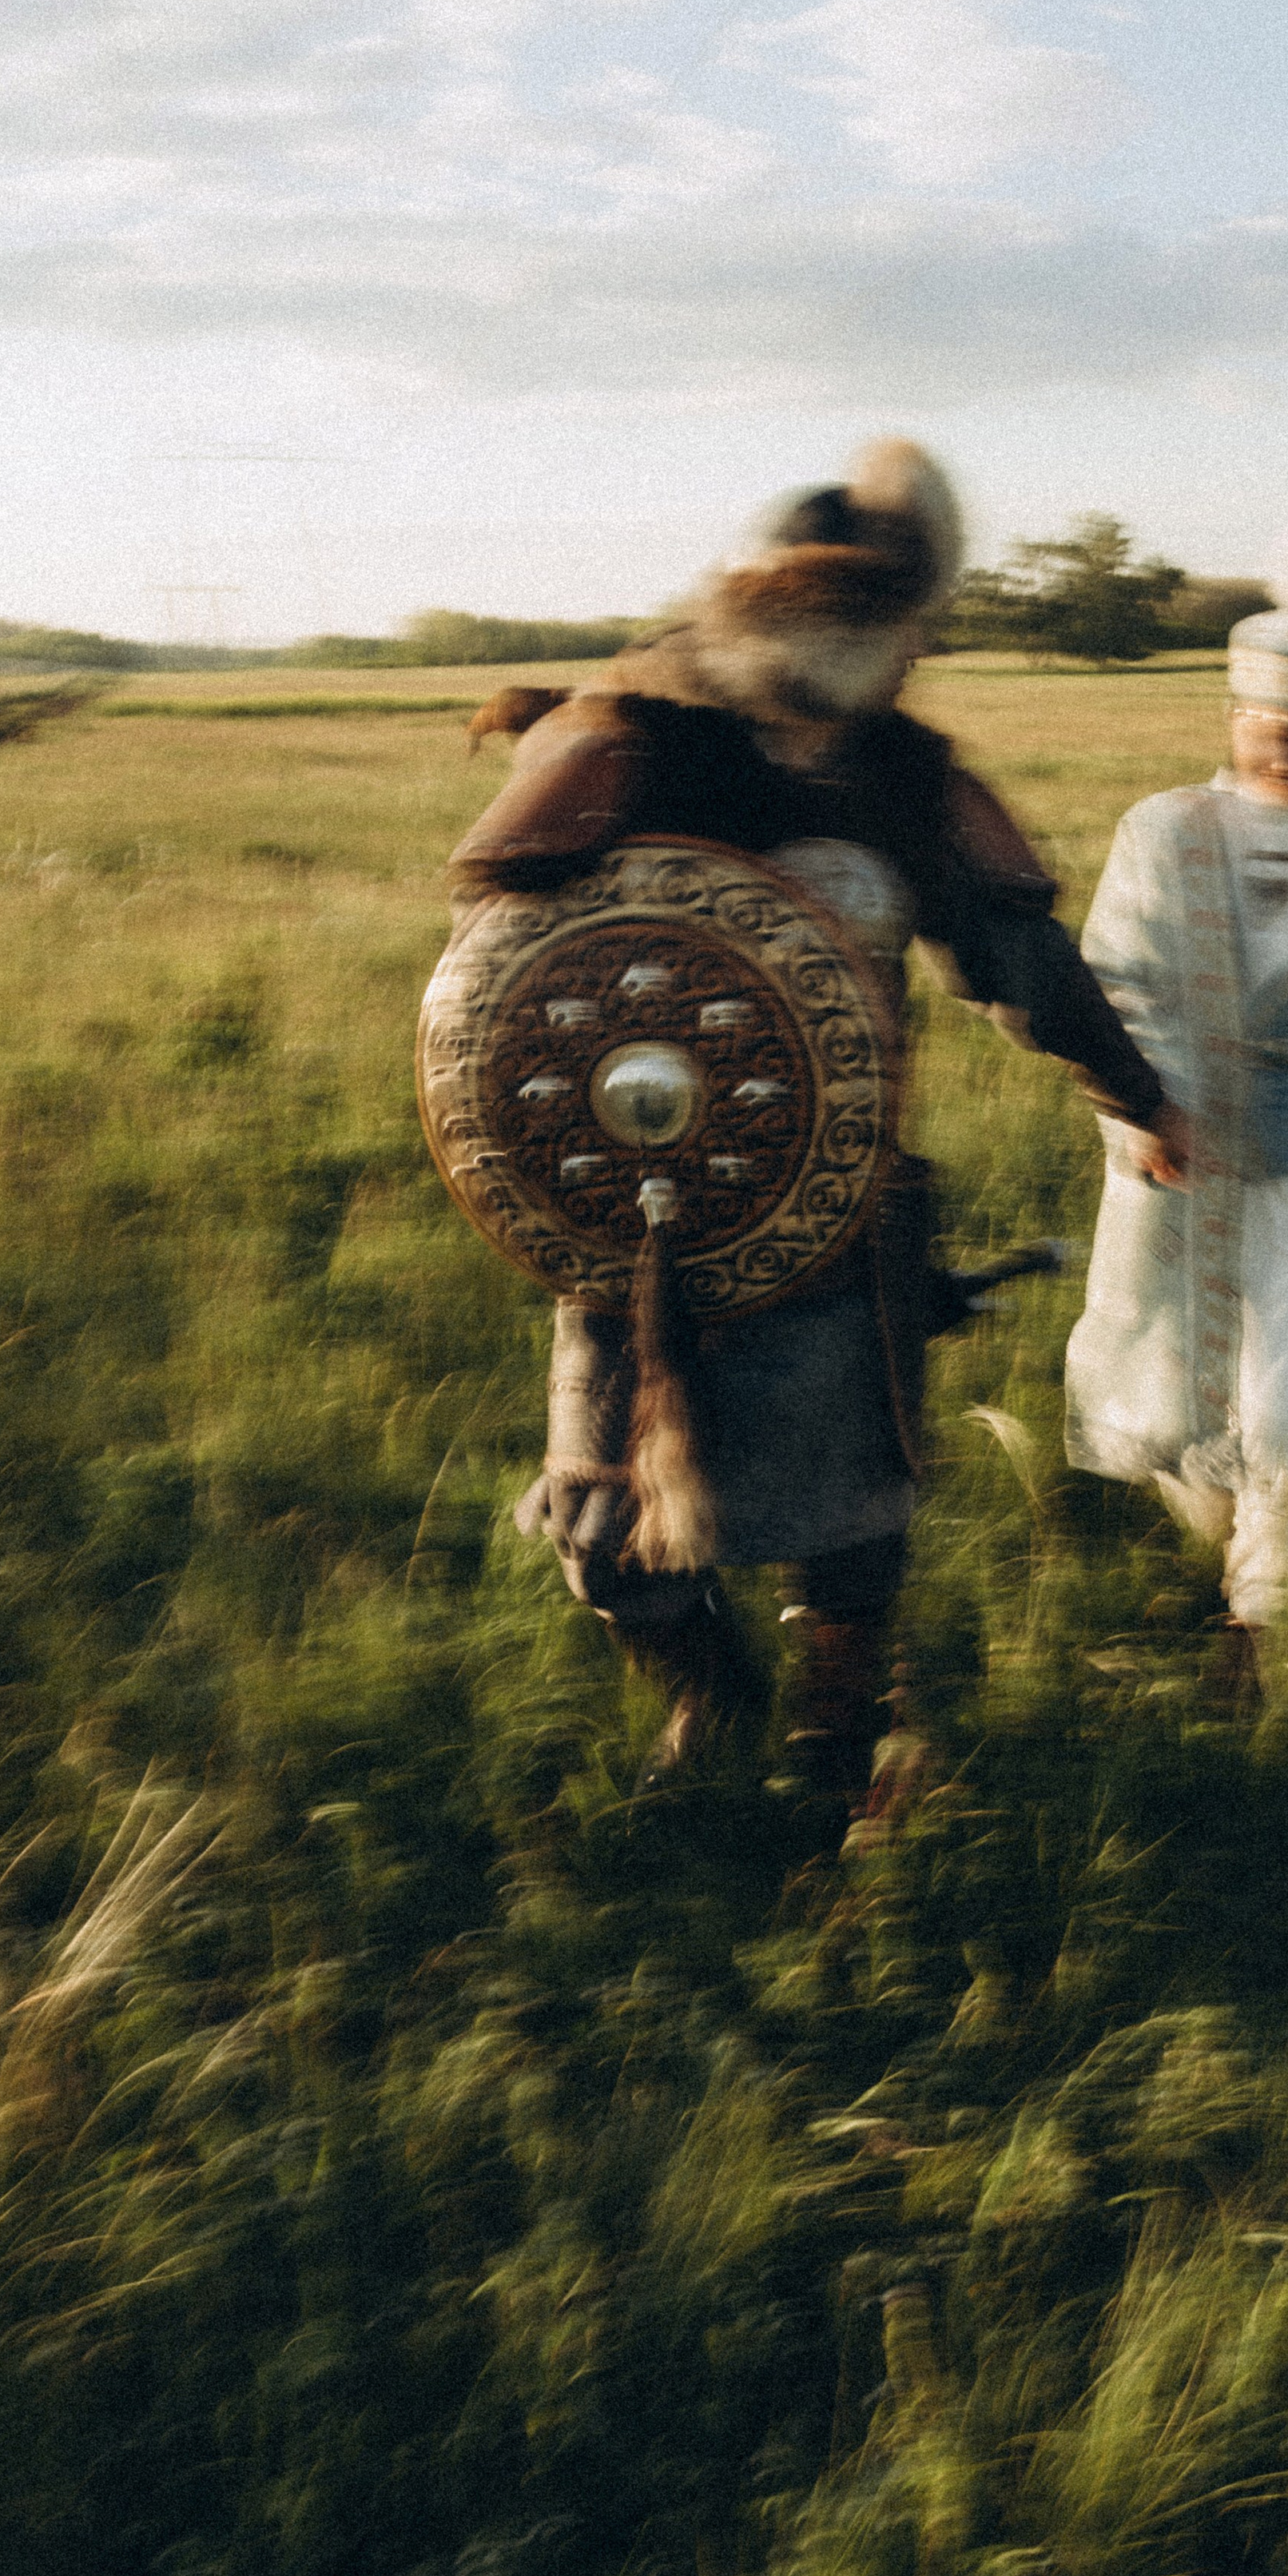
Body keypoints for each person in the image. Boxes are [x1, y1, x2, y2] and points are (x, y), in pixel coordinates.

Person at [444, 440, 1188, 1803]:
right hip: (636, 1216)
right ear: (790, 621)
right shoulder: (634, 740)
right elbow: (504, 966)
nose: (900, 662)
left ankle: (832, 1745)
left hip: (836, 1205)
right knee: (608, 1530)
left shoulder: (905, 780)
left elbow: (1018, 967)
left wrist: (1136, 1098)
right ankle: (708, 1692)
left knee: (850, 1523)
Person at [1062, 543, 1288, 1668]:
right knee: (1182, 1381)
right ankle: (1236, 1540)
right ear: (1235, 717)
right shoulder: (1161, 831)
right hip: (1180, 1149)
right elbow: (1115, 983)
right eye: (1277, 728)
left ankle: (1260, 1620)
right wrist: (1144, 1113)